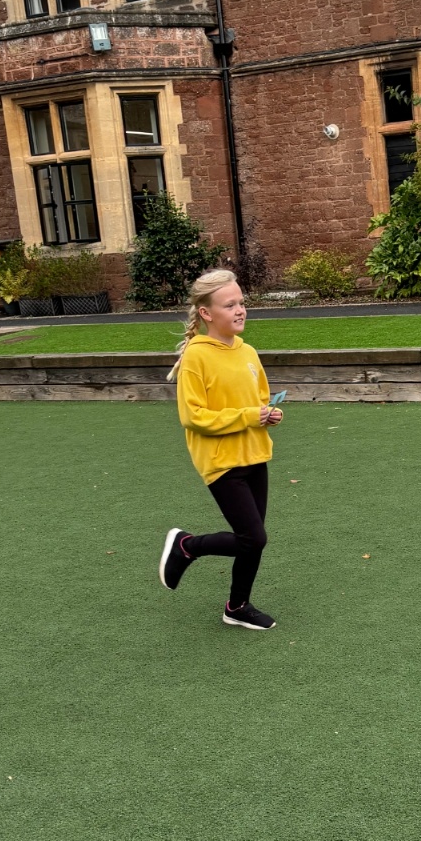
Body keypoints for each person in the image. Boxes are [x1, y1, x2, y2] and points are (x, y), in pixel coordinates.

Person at [158, 268, 283, 630]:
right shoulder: (196, 357)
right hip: (221, 462)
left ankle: (237, 606)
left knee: (252, 540)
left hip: (254, 454)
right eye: (229, 305)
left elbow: (258, 400)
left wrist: (267, 414)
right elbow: (192, 416)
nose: (240, 310)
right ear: (206, 313)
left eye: (241, 302)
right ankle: (187, 546)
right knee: (253, 537)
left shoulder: (248, 352)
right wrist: (248, 416)